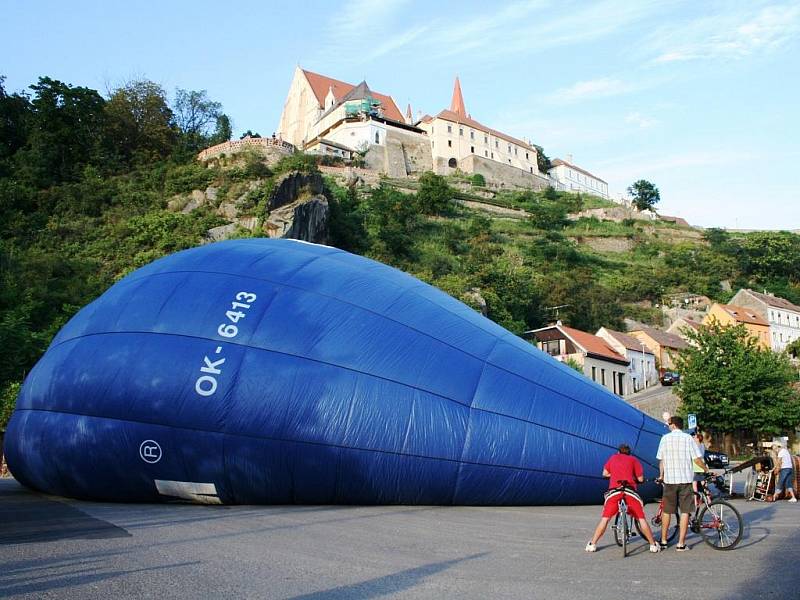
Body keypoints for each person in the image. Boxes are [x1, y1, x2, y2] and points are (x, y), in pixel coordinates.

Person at [585, 443, 660, 553]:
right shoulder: (634, 460)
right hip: (630, 492)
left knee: (605, 519)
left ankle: (593, 544)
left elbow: (605, 473)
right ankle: (653, 545)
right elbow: (640, 479)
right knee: (641, 519)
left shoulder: (613, 458)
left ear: (618, 452)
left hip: (614, 492)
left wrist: (614, 474)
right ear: (629, 453)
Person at [656, 416, 710, 551]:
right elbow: (697, 459)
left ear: (674, 425)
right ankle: (681, 543)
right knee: (685, 511)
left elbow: (661, 460)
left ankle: (663, 540)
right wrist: (706, 469)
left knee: (667, 511)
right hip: (685, 480)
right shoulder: (688, 439)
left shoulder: (665, 439)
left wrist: (662, 475)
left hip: (670, 481)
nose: (668, 426)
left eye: (669, 424)